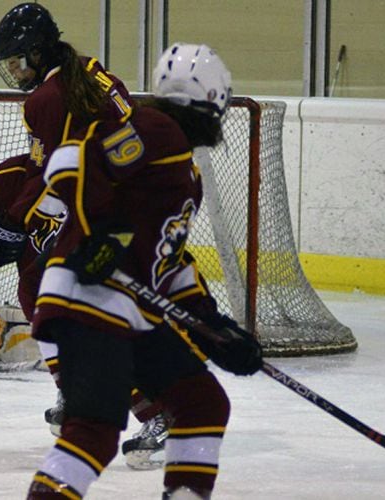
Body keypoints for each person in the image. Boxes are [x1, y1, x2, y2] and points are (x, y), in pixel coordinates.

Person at [23, 43, 262, 499]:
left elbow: (167, 264)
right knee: (93, 428)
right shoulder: (157, 130)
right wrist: (101, 236)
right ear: (213, 100)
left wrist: (214, 325)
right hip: (89, 301)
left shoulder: (181, 169)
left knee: (202, 404)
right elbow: (67, 164)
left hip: (130, 313)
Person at [0, 2, 170, 470]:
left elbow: (50, 174)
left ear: (39, 53)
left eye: (18, 60)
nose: (14, 71)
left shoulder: (47, 100)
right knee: (37, 291)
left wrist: (12, 222)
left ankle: (162, 411)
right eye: (8, 64)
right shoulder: (85, 70)